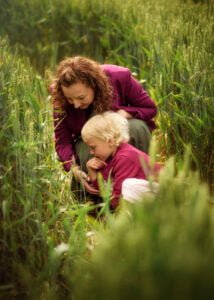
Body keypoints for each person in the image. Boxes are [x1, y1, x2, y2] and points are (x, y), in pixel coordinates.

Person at [51, 56, 157, 193]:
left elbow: (149, 108)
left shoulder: (119, 76)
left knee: (137, 127)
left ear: (95, 85)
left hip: (118, 135)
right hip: (87, 142)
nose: (76, 104)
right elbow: (62, 141)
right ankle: (100, 197)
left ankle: (143, 184)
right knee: (92, 154)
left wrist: (125, 113)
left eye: (81, 97)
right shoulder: (58, 95)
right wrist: (73, 169)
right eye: (70, 99)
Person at [81, 112, 162, 210]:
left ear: (110, 141)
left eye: (93, 147)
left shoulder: (125, 157)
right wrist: (92, 172)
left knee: (128, 185)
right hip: (147, 195)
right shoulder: (110, 157)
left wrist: (116, 216)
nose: (91, 152)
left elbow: (118, 198)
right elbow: (105, 191)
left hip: (163, 192)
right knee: (126, 187)